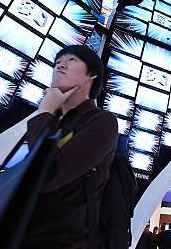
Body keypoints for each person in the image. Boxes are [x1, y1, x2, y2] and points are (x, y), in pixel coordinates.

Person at [21, 45, 118, 248]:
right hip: (21, 235)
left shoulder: (102, 122)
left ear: (92, 76)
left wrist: (45, 111)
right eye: (57, 62)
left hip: (62, 241)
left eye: (72, 60)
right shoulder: (53, 120)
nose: (60, 65)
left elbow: (47, 175)